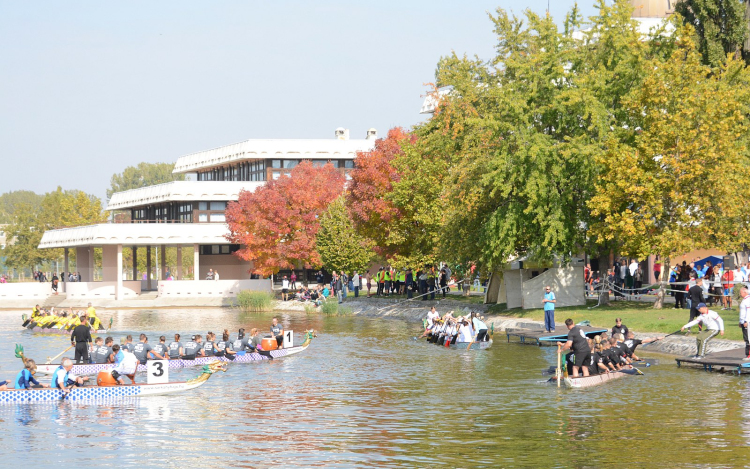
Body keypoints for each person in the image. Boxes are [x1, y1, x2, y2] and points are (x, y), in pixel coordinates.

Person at [739, 286, 750, 359]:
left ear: (745, 292)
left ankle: (748, 355)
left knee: (748, 338)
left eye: (740, 293)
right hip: (743, 321)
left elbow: (748, 312)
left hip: (747, 322)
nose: (740, 294)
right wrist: (740, 321)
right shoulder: (744, 300)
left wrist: (746, 321)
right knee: (746, 338)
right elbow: (742, 312)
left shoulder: (748, 300)